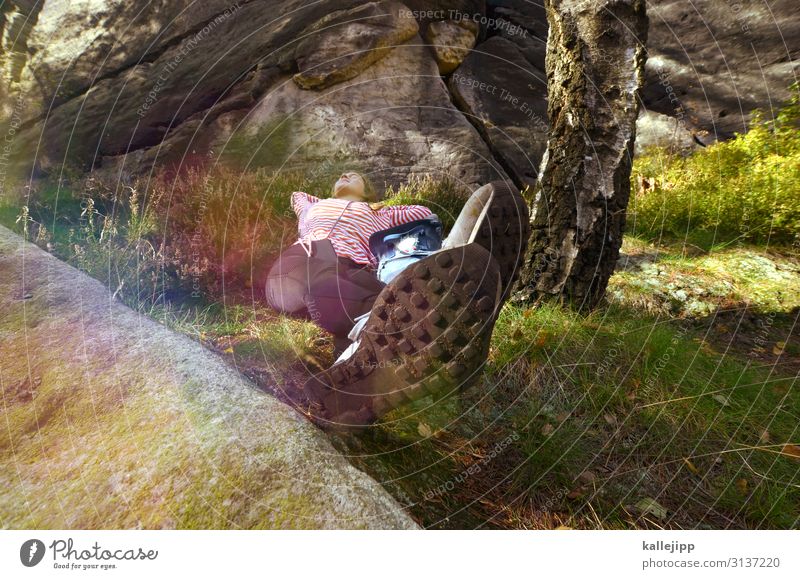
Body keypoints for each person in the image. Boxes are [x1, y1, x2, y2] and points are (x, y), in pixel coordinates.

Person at [264, 172, 436, 349]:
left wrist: (381, 208)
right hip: (302, 263)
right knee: (327, 286)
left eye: (354, 176)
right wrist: (333, 200)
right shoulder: (314, 205)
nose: (344, 174)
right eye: (340, 176)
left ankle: (355, 351)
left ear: (366, 190)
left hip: (351, 270)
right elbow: (297, 196)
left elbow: (423, 213)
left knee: (390, 294)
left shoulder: (380, 214)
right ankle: (391, 325)